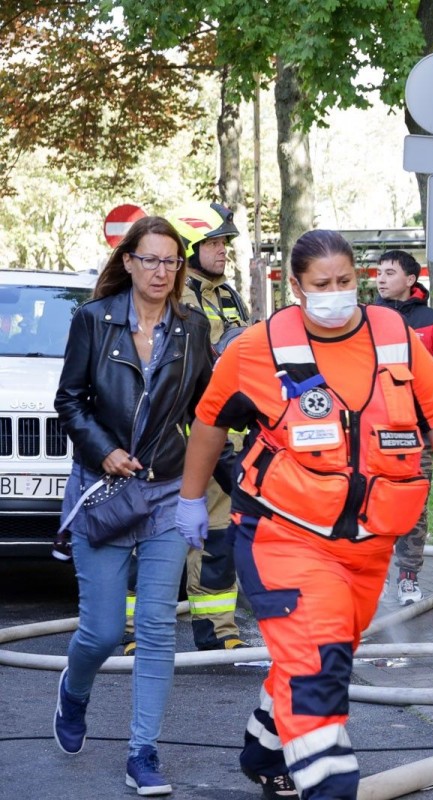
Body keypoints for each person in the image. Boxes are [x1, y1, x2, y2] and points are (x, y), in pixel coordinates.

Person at [175, 229, 433, 800]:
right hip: (283, 538)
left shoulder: (393, 333)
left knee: (320, 654)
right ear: (296, 287)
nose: (336, 294)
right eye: (322, 285)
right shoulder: (256, 348)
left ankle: (265, 752)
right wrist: (192, 496)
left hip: (367, 547)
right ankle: (328, 786)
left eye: (345, 282)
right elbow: (211, 421)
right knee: (319, 667)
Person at [52, 215, 214, 796]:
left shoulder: (193, 329)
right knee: (98, 632)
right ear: (128, 261)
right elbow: (68, 402)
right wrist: (105, 451)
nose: (160, 271)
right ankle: (74, 690)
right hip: (104, 492)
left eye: (170, 261)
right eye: (150, 259)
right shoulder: (93, 321)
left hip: (167, 490)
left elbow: (208, 412)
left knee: (154, 627)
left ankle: (142, 752)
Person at [120, 201, 252, 656]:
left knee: (219, 534)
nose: (222, 251)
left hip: (224, 434)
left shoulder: (228, 296)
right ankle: (137, 629)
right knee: (150, 533)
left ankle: (217, 628)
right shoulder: (171, 297)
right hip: (172, 439)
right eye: (213, 243)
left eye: (224, 243)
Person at [374, 249, 433, 605]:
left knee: (414, 507)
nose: (381, 278)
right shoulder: (366, 319)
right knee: (374, 503)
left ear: (410, 279)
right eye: (379, 272)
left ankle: (408, 576)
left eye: (390, 273)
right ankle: (377, 575)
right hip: (374, 432)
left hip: (418, 432)